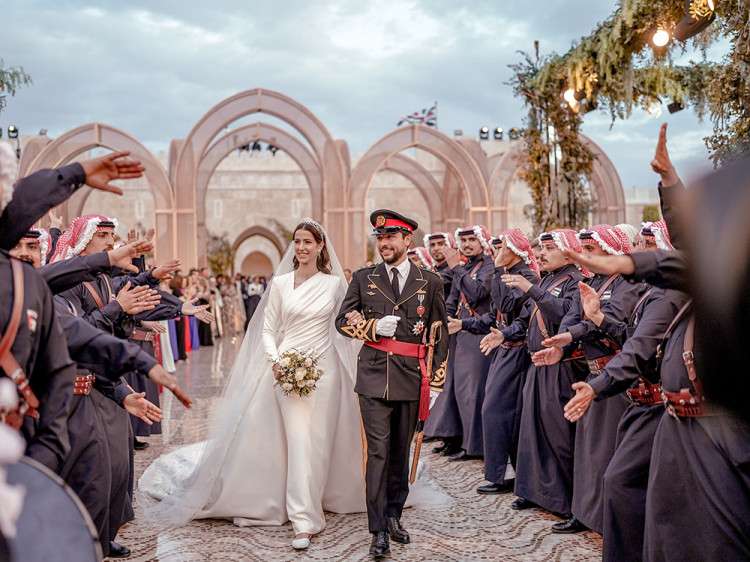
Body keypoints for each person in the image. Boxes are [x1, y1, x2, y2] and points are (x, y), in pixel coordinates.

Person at [139, 218, 369, 552]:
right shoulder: (280, 285)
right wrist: (275, 361)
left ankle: (320, 494)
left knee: (318, 443)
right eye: (298, 241)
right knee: (299, 440)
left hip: (327, 373)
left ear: (320, 246)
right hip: (286, 370)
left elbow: (344, 328)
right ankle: (304, 519)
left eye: (309, 242)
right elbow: (266, 328)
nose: (303, 247)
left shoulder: (334, 285)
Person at [336, 210, 448, 560]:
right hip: (372, 376)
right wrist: (370, 330)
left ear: (406, 241)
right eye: (380, 238)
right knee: (379, 455)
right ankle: (378, 530)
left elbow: (439, 332)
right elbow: (341, 320)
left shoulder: (430, 281)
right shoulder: (363, 278)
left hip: (412, 377)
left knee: (400, 454)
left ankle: (395, 514)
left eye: (390, 238)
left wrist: (438, 380)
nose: (383, 243)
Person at [533, 225, 641, 534]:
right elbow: (577, 318)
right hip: (592, 373)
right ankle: (584, 513)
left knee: (605, 453)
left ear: (609, 249)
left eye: (591, 250)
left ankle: (606, 519)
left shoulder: (625, 284)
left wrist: (572, 333)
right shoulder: (593, 281)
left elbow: (606, 320)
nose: (585, 257)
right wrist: (565, 342)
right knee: (587, 451)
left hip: (614, 378)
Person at [482, 229, 585, 518]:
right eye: (540, 248)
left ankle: (567, 503)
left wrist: (531, 289)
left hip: (561, 367)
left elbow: (563, 316)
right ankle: (534, 492)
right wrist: (503, 334)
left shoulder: (574, 282)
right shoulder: (549, 278)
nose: (541, 254)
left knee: (559, 436)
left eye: (549, 248)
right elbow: (521, 316)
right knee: (532, 432)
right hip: (537, 363)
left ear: (568, 252)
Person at [472, 230, 539, 495]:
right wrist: (464, 324)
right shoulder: (505, 274)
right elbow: (494, 314)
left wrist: (498, 271)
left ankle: (503, 474)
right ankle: (500, 472)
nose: (497, 250)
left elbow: (511, 310)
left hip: (517, 350)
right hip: (504, 349)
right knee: (495, 410)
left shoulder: (528, 278)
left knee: (499, 410)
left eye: (502, 246)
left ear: (515, 251)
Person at [444, 225, 495, 461]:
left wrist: (455, 267)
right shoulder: (465, 267)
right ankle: (465, 442)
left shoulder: (489, 266)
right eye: (463, 240)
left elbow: (477, 294)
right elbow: (453, 300)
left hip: (480, 335)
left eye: (472, 239)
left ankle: (477, 446)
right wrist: (445, 318)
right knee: (461, 392)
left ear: (483, 241)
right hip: (460, 335)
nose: (466, 244)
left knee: (475, 392)